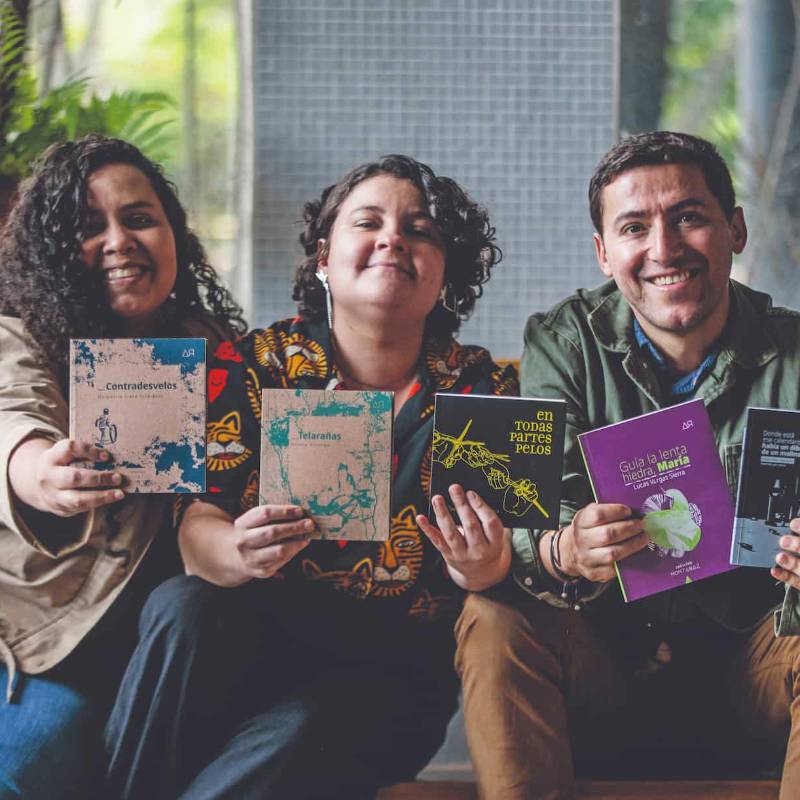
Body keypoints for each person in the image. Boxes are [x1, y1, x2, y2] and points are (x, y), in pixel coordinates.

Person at [103, 154, 518, 799]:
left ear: (447, 270)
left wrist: (484, 568)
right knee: (179, 603)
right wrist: (237, 552)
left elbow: (512, 560)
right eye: (369, 222)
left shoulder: (486, 392)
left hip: (389, 670)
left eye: (421, 230)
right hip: (253, 638)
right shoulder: (253, 365)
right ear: (325, 258)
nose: (393, 239)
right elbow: (195, 526)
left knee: (303, 727)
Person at [455, 131, 800, 800]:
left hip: (757, 667)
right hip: (608, 664)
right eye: (635, 227)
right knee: (492, 616)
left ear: (735, 229)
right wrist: (565, 547)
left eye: (689, 216)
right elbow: (522, 519)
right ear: (604, 253)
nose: (664, 249)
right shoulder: (562, 342)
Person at [0, 134, 246, 799]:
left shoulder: (216, 350)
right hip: (38, 649)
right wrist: (42, 475)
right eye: (88, 228)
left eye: (138, 218)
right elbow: (11, 418)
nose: (118, 240)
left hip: (168, 653)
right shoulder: (19, 334)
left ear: (173, 234)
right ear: (51, 253)